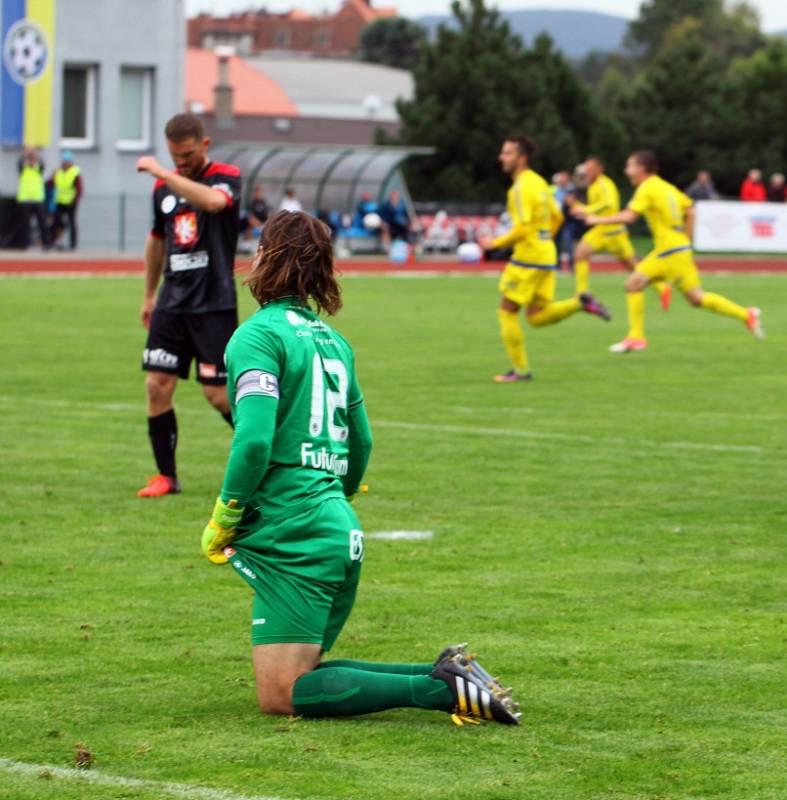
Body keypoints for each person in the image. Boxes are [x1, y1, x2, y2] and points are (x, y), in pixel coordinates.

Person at [200, 210, 520, 726]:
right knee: (303, 672)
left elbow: (254, 440)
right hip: (335, 524)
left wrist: (225, 515)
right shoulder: (334, 342)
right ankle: (447, 673)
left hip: (297, 530)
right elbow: (362, 440)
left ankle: (439, 691)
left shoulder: (255, 337)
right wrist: (334, 497)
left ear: (266, 259)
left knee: (283, 693)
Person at [135, 112, 241, 497]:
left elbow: (213, 203)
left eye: (189, 154)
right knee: (156, 385)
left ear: (205, 145)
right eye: (175, 156)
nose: (182, 162)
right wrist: (149, 294)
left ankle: (275, 459)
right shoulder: (163, 191)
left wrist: (165, 173)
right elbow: (157, 241)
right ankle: (167, 476)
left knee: (217, 395)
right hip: (172, 304)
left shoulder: (225, 176)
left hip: (214, 304)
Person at [583, 150, 763, 353]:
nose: (627, 171)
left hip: (669, 250)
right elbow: (691, 210)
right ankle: (746, 315)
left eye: (630, 166)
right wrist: (686, 239)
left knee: (633, 284)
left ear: (642, 168)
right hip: (678, 248)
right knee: (696, 298)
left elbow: (629, 216)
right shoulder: (666, 186)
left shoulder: (647, 188)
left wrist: (597, 220)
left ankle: (636, 337)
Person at [477, 135, 611, 383]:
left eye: (507, 153)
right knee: (537, 316)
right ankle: (579, 302)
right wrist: (544, 238)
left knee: (507, 311)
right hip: (545, 254)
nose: (501, 157)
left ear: (522, 157)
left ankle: (520, 371)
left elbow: (523, 228)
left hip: (527, 257)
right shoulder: (538, 182)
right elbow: (557, 216)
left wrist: (493, 243)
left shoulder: (519, 188)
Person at [570, 155, 671, 309]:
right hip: (603, 231)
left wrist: (585, 210)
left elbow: (608, 204)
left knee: (634, 268)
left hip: (612, 232)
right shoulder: (593, 185)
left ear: (599, 169)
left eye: (590, 168)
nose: (587, 171)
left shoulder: (605, 184)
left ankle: (662, 288)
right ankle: (582, 294)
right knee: (580, 254)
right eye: (586, 168)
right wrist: (578, 206)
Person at [16, 146, 49, 249]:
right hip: (25, 199)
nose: (31, 160)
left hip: (38, 199)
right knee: (25, 224)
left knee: (42, 224)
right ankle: (24, 245)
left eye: (32, 158)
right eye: (29, 158)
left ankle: (46, 244)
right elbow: (20, 162)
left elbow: (42, 162)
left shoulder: (39, 168)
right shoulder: (23, 168)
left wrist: (35, 153)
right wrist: (26, 153)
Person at [50, 150, 82, 250]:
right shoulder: (58, 172)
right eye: (63, 161)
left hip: (71, 202)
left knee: (72, 223)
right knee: (57, 222)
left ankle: (73, 245)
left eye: (66, 161)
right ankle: (55, 241)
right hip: (60, 201)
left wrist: (75, 200)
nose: (64, 163)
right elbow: (52, 183)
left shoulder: (75, 172)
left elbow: (79, 189)